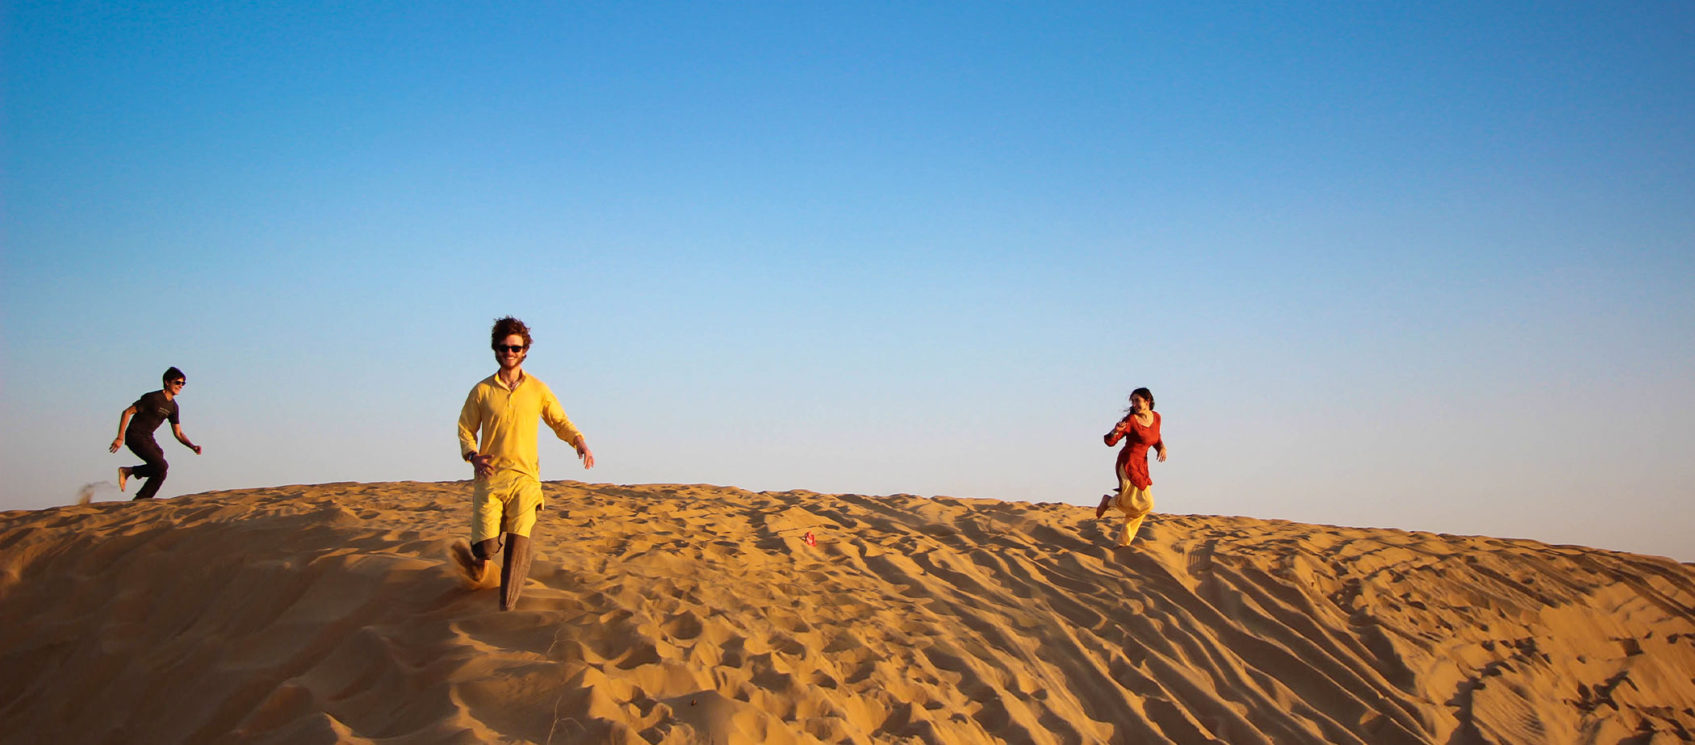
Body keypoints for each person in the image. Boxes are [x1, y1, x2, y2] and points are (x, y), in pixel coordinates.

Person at [452, 316, 595, 611]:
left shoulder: (538, 389)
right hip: (490, 479)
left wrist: (578, 441)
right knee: (487, 548)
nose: (509, 353)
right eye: (504, 347)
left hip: (525, 479)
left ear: (525, 351)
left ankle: (507, 613)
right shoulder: (481, 391)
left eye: (515, 348)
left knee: (519, 543)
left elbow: (558, 420)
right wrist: (472, 455)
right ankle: (477, 566)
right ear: (495, 350)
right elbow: (465, 427)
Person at [110, 367, 202, 500]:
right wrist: (120, 437)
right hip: (135, 435)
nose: (180, 386)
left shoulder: (173, 407)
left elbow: (178, 432)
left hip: (148, 437)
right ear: (167, 382)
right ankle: (130, 474)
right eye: (177, 382)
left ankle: (140, 499)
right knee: (161, 465)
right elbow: (127, 412)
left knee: (161, 469)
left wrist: (192, 446)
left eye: (183, 383)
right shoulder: (152, 398)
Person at [1096, 387, 1167, 546]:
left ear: (1147, 402)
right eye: (1133, 401)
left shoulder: (1156, 418)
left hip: (1142, 464)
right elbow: (1110, 442)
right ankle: (1109, 502)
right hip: (1127, 463)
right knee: (1143, 503)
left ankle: (1122, 543)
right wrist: (1115, 430)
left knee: (1141, 506)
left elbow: (1155, 438)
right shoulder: (1131, 420)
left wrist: (1161, 447)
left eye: (1137, 401)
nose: (1134, 404)